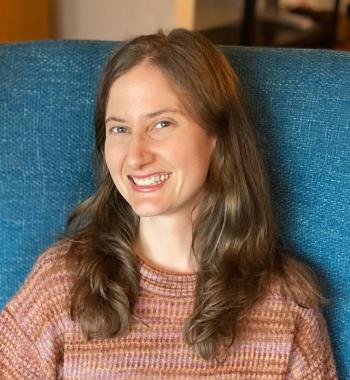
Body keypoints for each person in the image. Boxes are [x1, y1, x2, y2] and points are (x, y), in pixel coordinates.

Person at [0, 29, 337, 379]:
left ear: (216, 137)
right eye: (119, 129)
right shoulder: (62, 284)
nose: (136, 156)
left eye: (162, 124)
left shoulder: (287, 305)